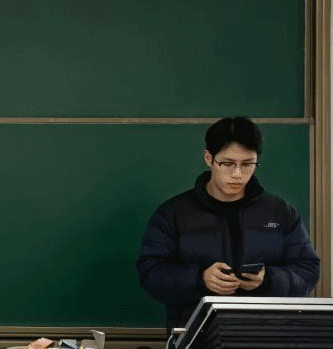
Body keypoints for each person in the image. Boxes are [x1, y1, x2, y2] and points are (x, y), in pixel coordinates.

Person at [135, 116, 320, 334]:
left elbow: (308, 271)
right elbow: (150, 273)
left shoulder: (281, 212)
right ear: (209, 158)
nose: (237, 174)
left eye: (247, 164)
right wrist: (200, 279)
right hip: (196, 338)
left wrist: (267, 280)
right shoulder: (173, 213)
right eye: (228, 164)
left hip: (267, 337)